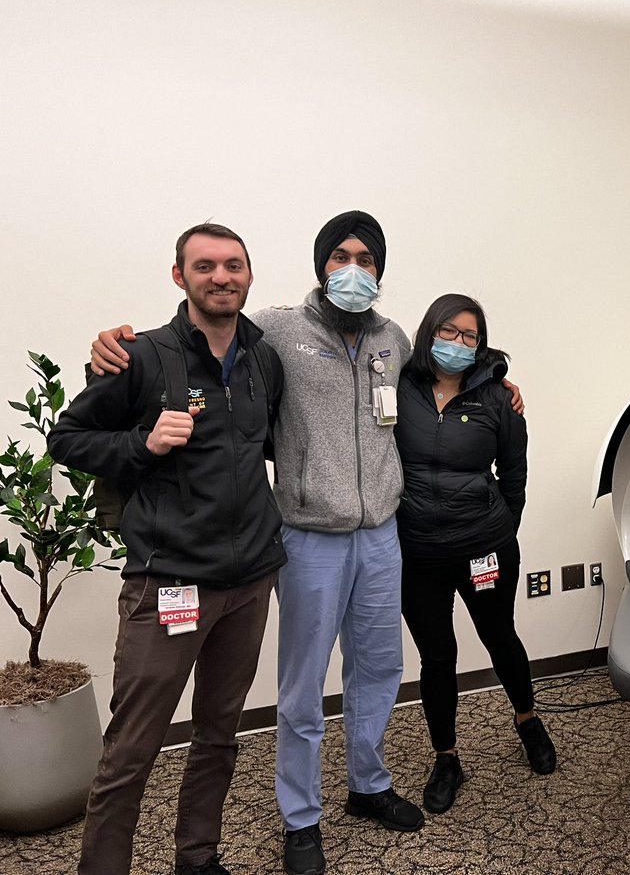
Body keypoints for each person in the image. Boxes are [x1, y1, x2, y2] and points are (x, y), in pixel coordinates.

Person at [90, 212, 523, 875]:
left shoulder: (393, 336)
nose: (354, 269)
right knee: (301, 687)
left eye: (367, 259)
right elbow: (212, 351)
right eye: (341, 256)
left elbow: (442, 379)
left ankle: (368, 784)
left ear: (380, 268)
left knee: (379, 671)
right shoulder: (279, 333)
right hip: (308, 538)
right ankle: (300, 816)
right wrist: (111, 347)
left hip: (382, 536)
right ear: (321, 264)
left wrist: (498, 379)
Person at [48, 223, 286, 875]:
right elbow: (66, 438)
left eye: (233, 265)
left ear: (249, 275)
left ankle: (198, 858)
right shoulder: (143, 357)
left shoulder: (263, 360)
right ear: (180, 277)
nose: (221, 276)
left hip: (249, 582)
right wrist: (142, 446)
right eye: (205, 265)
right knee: (132, 749)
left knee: (217, 736)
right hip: (170, 584)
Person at [395, 293, 554, 815]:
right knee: (437, 657)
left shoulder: (498, 400)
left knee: (499, 635)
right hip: (417, 551)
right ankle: (447, 758)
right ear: (428, 333)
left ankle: (527, 720)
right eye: (449, 331)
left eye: (470, 336)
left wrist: (500, 528)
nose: (458, 343)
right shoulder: (400, 387)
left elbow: (515, 475)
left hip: (483, 549)